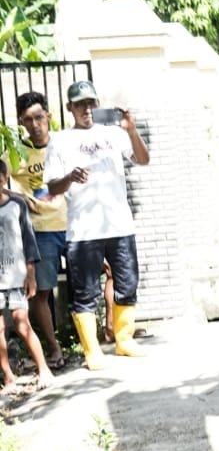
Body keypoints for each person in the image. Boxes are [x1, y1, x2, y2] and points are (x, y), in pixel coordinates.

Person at [45, 79, 150, 370]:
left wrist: (131, 128)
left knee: (127, 283)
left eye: (90, 103)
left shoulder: (113, 134)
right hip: (84, 230)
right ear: (70, 108)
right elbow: (52, 187)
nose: (86, 109)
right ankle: (92, 351)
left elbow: (143, 159)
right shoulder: (60, 140)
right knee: (85, 291)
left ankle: (124, 340)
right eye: (80, 104)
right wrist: (69, 178)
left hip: (119, 225)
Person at [10, 91, 67, 369]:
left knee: (106, 272)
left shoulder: (64, 144)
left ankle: (109, 331)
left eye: (39, 117)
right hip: (42, 230)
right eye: (28, 120)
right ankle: (55, 350)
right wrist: (17, 196)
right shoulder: (16, 153)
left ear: (49, 116)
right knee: (42, 292)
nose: (34, 125)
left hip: (77, 224)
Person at [0, 157, 54, 394]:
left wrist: (31, 275)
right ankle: (9, 378)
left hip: (15, 276)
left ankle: (44, 369)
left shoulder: (16, 205)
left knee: (23, 324)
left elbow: (29, 242)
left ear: (4, 179)